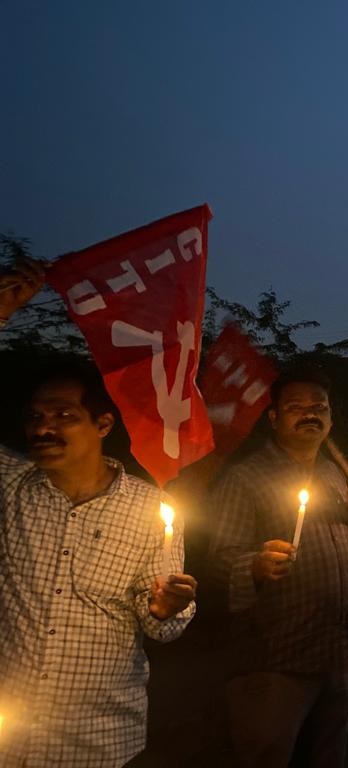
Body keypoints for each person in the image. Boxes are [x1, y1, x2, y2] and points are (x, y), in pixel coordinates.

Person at [0, 259, 197, 767]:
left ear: (103, 423)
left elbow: (162, 625)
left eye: (64, 416)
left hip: (98, 742)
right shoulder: (12, 487)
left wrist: (165, 608)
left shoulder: (150, 508)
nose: (45, 428)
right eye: (35, 417)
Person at [207, 366, 348, 767]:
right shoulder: (246, 479)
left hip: (337, 651)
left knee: (327, 756)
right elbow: (218, 561)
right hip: (276, 660)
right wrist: (256, 564)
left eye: (319, 407)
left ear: (331, 418)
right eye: (295, 407)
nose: (309, 414)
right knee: (268, 754)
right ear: (274, 418)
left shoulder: (335, 474)